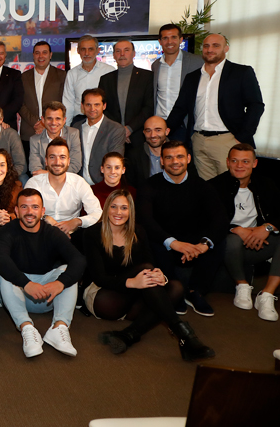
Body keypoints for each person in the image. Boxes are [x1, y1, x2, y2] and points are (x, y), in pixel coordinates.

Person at [84, 189, 215, 361]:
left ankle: (128, 334)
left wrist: (159, 275)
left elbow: (150, 263)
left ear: (130, 211)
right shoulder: (92, 233)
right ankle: (183, 334)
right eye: (114, 207)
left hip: (134, 292)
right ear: (106, 208)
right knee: (146, 272)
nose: (118, 212)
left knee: (175, 287)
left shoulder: (138, 231)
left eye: (124, 208)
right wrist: (132, 282)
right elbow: (99, 277)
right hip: (104, 296)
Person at [0, 189, 86, 358]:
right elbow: (0, 259)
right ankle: (27, 328)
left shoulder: (52, 232)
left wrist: (60, 283)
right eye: (24, 207)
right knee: (3, 272)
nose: (29, 212)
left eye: (35, 207)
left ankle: (59, 327)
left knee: (67, 270)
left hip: (47, 294)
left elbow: (78, 260)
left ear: (43, 211)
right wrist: (26, 283)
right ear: (16, 210)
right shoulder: (7, 231)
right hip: (18, 293)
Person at [138, 141, 226, 316]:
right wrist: (173, 243)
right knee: (150, 239)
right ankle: (174, 290)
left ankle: (196, 291)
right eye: (169, 157)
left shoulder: (203, 186)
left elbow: (220, 219)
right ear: (162, 161)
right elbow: (145, 219)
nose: (175, 161)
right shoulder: (149, 186)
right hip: (165, 241)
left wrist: (203, 244)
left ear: (188, 159)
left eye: (179, 156)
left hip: (194, 243)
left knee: (218, 241)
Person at [166, 33, 265, 180]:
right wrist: (165, 130)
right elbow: (180, 108)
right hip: (198, 141)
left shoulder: (241, 72)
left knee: (233, 187)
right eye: (206, 46)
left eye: (215, 45)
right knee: (208, 192)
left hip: (228, 141)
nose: (209, 49)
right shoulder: (192, 77)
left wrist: (242, 136)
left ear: (226, 48)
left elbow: (256, 105)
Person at [208, 143, 280, 321]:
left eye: (245, 161)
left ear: (254, 163)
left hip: (261, 242)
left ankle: (267, 294)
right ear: (227, 162)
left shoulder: (267, 184)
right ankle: (242, 286)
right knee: (231, 240)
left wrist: (267, 228)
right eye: (235, 161)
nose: (240, 166)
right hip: (230, 246)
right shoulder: (214, 186)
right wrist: (235, 229)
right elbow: (206, 221)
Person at [25, 137, 102, 240]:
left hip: (71, 235)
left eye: (62, 157)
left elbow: (97, 213)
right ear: (46, 161)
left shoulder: (79, 182)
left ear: (68, 161)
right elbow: (25, 211)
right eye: (52, 157)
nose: (57, 162)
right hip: (40, 234)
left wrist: (77, 222)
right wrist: (45, 218)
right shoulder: (34, 183)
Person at [98, 40, 154, 146]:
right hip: (112, 135)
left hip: (139, 136)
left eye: (126, 50)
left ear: (134, 54)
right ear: (114, 55)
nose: (122, 54)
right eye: (118, 51)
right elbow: (103, 108)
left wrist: (129, 129)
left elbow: (149, 108)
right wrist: (119, 130)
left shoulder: (147, 77)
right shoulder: (105, 79)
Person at [71, 88, 127, 185]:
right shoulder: (76, 127)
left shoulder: (116, 129)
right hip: (78, 185)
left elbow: (115, 161)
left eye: (97, 105)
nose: (92, 109)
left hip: (103, 185)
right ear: (82, 106)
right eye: (88, 105)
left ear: (104, 106)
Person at [151, 24, 204, 126]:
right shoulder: (156, 65)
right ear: (160, 42)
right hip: (161, 123)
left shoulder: (198, 62)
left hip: (185, 124)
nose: (170, 42)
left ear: (181, 40)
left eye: (174, 37)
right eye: (165, 38)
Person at [19, 41, 66, 147]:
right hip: (30, 131)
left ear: (50, 55)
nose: (41, 56)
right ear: (33, 55)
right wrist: (36, 122)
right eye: (37, 53)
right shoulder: (23, 77)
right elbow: (20, 103)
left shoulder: (62, 75)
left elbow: (64, 102)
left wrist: (46, 123)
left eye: (44, 52)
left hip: (54, 131)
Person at [62, 35, 115, 126]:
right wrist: (66, 127)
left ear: (97, 51)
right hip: (79, 120)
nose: (87, 53)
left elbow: (114, 101)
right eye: (83, 49)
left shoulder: (109, 71)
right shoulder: (72, 74)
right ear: (78, 51)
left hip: (103, 121)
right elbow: (68, 103)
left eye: (90, 49)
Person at [28, 102, 82, 176]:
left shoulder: (73, 134)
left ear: (64, 120)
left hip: (67, 179)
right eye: (49, 118)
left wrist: (48, 173)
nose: (53, 123)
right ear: (43, 120)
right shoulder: (35, 140)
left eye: (58, 119)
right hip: (44, 182)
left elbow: (75, 165)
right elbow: (35, 169)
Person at [126, 116, 170, 189]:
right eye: (148, 131)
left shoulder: (179, 153)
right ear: (144, 133)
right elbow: (130, 186)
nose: (153, 135)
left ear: (167, 131)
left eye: (158, 130)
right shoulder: (134, 155)